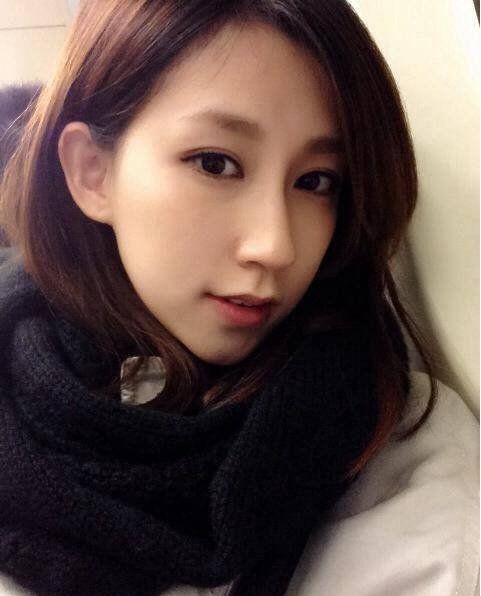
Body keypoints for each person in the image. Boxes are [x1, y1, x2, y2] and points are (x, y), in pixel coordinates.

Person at [0, 1, 477, 595]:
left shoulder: (401, 449)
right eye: (216, 163)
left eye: (316, 181)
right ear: (92, 172)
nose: (276, 247)